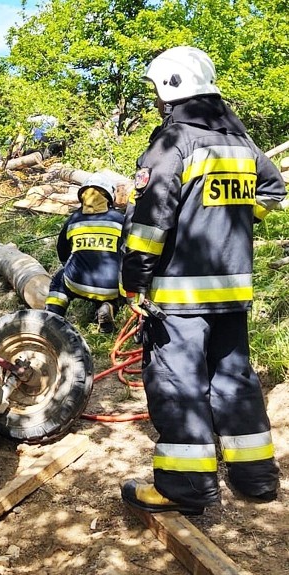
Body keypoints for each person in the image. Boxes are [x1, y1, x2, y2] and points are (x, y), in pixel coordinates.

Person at [119, 46, 284, 515]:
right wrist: (231, 216)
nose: (154, 100)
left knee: (178, 384)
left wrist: (135, 277)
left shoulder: (175, 140)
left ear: (172, 87)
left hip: (180, 293)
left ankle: (185, 486)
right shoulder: (239, 140)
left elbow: (152, 220)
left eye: (156, 90)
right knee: (234, 380)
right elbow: (273, 189)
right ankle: (255, 477)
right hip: (232, 289)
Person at [44, 174, 124, 333]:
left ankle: (52, 318)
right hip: (112, 287)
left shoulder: (74, 220)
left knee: (60, 279)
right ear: (108, 197)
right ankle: (107, 306)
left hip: (77, 283)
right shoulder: (120, 220)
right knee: (116, 281)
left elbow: (62, 251)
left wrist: (72, 265)